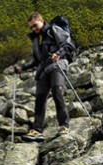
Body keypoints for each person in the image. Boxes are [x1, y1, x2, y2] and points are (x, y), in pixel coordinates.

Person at [14, 12, 76, 142]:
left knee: (57, 92)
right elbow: (37, 60)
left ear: (41, 21)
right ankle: (37, 130)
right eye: (31, 27)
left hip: (57, 65)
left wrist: (58, 53)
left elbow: (68, 44)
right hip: (43, 70)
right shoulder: (36, 39)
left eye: (35, 25)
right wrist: (23, 68)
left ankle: (64, 126)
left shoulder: (53, 30)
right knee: (40, 98)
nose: (34, 29)